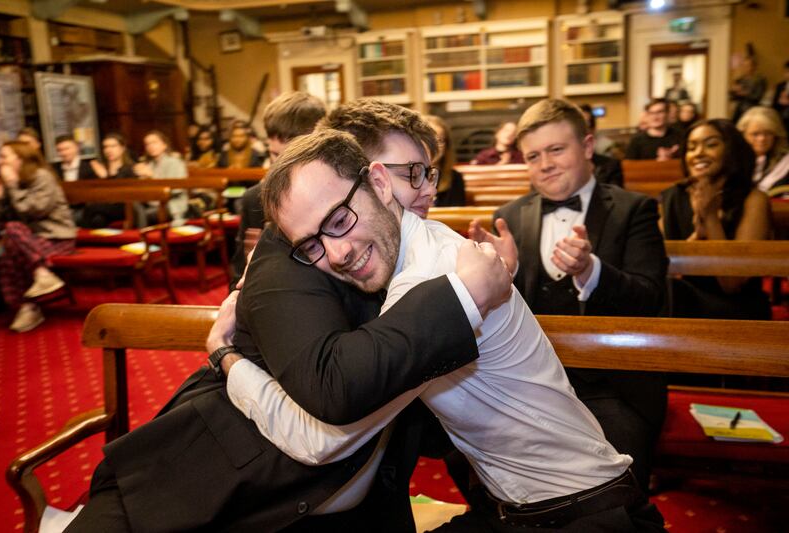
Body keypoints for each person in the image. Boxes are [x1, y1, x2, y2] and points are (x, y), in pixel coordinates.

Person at [66, 105, 511, 532]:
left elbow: (430, 402)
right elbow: (332, 396)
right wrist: (466, 295)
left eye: (428, 172)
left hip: (346, 502)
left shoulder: (413, 253)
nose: (428, 188)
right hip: (217, 487)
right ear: (365, 176)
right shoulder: (289, 260)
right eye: (409, 173)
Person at [227, 127, 664, 532]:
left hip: (586, 515)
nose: (336, 254)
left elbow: (318, 441)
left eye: (340, 221)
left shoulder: (430, 281)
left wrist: (226, 357)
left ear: (379, 185)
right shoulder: (422, 253)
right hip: (523, 509)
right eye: (311, 246)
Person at [469, 99, 669, 490]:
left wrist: (591, 271)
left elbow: (651, 299)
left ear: (588, 147)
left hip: (613, 383)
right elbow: (496, 319)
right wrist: (500, 278)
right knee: (478, 464)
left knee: (613, 486)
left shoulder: (635, 209)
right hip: (530, 380)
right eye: (533, 156)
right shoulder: (508, 215)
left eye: (556, 150)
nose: (545, 164)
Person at [661, 119, 772, 319]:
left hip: (738, 307)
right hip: (683, 300)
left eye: (711, 144)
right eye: (691, 147)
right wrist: (697, 236)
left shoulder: (753, 199)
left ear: (732, 151)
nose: (698, 153)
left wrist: (711, 219)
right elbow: (661, 269)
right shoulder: (672, 197)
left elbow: (731, 284)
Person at [230, 91, 327, 286]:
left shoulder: (335, 195)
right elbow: (238, 275)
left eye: (292, 158)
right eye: (274, 155)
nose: (280, 169)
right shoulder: (255, 198)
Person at [0, 141, 76, 332]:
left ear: (20, 158)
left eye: (4, 156)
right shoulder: (14, 183)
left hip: (57, 238)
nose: (0, 161)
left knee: (12, 231)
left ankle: (30, 303)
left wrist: (11, 186)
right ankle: (30, 298)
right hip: (29, 242)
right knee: (5, 252)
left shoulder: (41, 177)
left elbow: (33, 210)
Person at [134, 130, 189, 226]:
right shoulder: (149, 164)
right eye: (147, 144)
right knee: (134, 206)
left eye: (154, 142)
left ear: (164, 145)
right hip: (153, 204)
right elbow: (144, 191)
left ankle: (143, 236)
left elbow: (176, 190)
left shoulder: (175, 162)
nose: (151, 146)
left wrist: (151, 176)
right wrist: (140, 178)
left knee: (143, 214)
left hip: (172, 205)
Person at [82, 133, 137, 228]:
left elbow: (121, 194)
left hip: (124, 207)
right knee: (98, 219)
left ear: (122, 148)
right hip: (103, 206)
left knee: (91, 208)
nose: (109, 150)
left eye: (113, 146)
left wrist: (105, 177)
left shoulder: (130, 168)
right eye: (106, 147)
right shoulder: (101, 168)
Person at [737, 106, 789, 193]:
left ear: (776, 135)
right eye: (755, 134)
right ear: (743, 135)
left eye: (768, 133)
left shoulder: (786, 161)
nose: (762, 139)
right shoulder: (733, 161)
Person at [425, 114, 465, 207]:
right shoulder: (404, 176)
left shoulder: (455, 178)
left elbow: (456, 217)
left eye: (440, 140)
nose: (434, 146)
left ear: (447, 146)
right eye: (428, 139)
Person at [579, 103, 623, 187]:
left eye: (586, 125)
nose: (581, 131)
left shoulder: (609, 165)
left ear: (592, 130)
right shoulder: (559, 165)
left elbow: (614, 196)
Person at [731, 55, 767, 124]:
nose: (746, 68)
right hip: (739, 109)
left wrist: (744, 93)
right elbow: (733, 97)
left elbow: (757, 96)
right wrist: (734, 91)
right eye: (744, 66)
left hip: (752, 109)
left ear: (754, 67)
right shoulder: (741, 79)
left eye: (748, 66)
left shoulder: (760, 80)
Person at [772, 60, 789, 133]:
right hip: (780, 113)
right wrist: (779, 101)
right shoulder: (780, 86)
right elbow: (774, 103)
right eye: (787, 72)